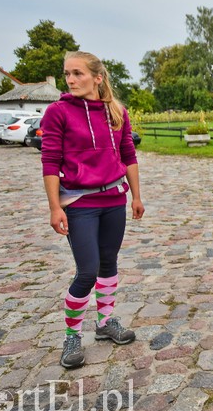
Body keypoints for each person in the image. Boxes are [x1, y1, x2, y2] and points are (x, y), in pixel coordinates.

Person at [41, 51, 145, 369]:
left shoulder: (116, 111)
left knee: (109, 264)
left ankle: (104, 323)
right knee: (87, 270)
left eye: (77, 73)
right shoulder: (58, 112)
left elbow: (128, 154)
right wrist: (55, 207)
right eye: (67, 74)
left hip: (113, 199)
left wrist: (136, 196)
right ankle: (72, 336)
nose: (71, 80)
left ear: (97, 77)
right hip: (79, 204)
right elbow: (50, 162)